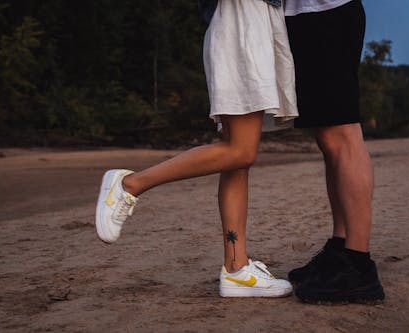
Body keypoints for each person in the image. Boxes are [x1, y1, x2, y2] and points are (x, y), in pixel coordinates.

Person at [95, 0, 298, 298]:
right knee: (241, 151)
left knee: (237, 160)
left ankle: (236, 267)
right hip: (242, 21)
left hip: (252, 21)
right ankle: (129, 184)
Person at [283, 0, 385, 303]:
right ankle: (341, 248)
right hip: (307, 15)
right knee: (328, 136)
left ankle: (358, 263)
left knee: (342, 132)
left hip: (325, 10)